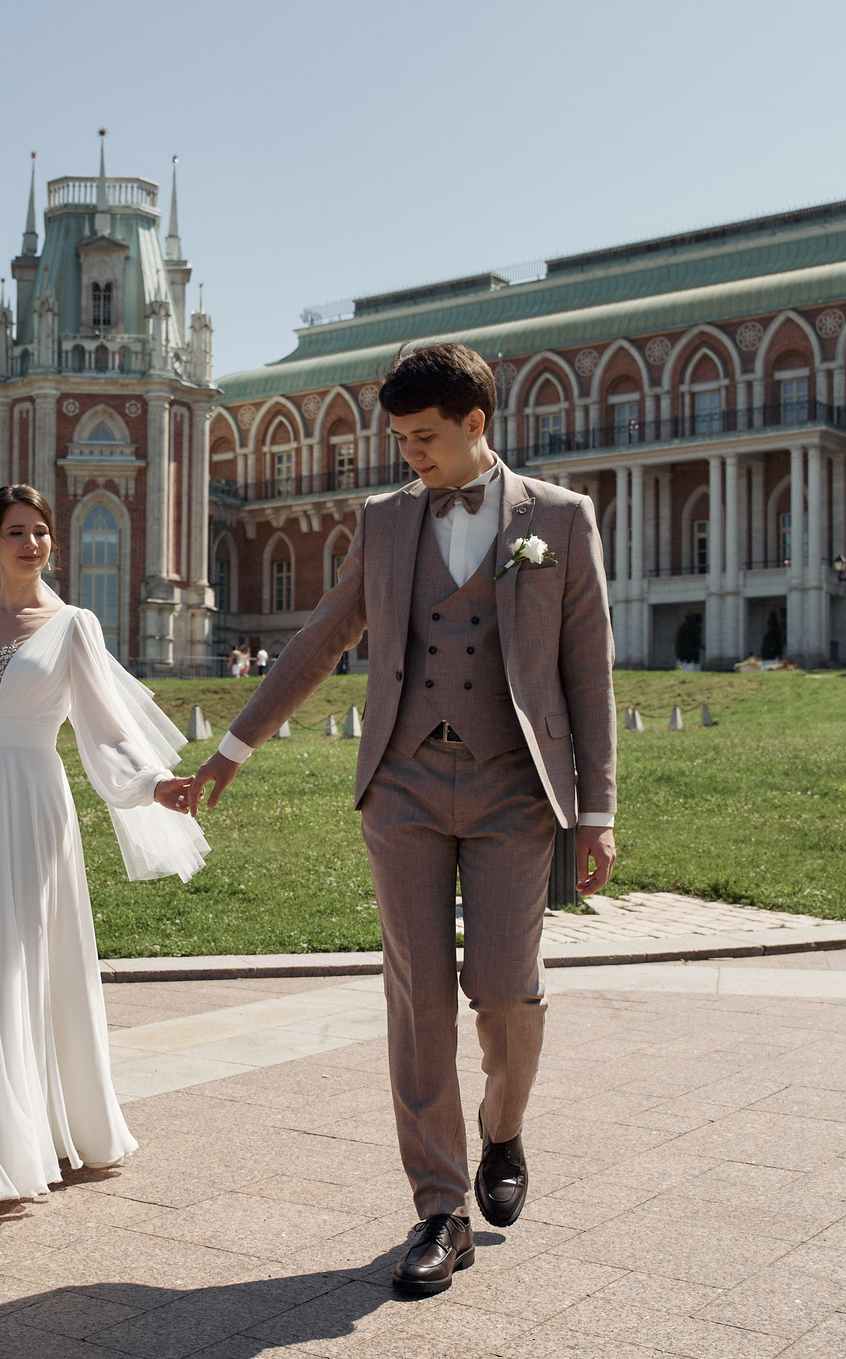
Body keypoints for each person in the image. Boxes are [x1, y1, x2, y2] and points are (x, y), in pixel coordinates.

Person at [188, 342, 615, 1295]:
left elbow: (588, 671)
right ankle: (440, 1208)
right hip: (404, 783)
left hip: (515, 787)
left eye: (425, 438)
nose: (409, 455)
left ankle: (504, 1127)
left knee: (504, 989)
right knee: (418, 993)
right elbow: (322, 635)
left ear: (476, 424)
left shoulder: (559, 518)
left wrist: (597, 811)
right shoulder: (383, 521)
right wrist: (233, 748)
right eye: (401, 441)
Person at [0, 484, 207, 1204]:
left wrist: (153, 784)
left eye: (40, 531)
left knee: (22, 962)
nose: (31, 543)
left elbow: (107, 727)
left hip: (36, 807)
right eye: (15, 531)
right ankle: (20, 1126)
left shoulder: (75, 626)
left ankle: (3, 1146)